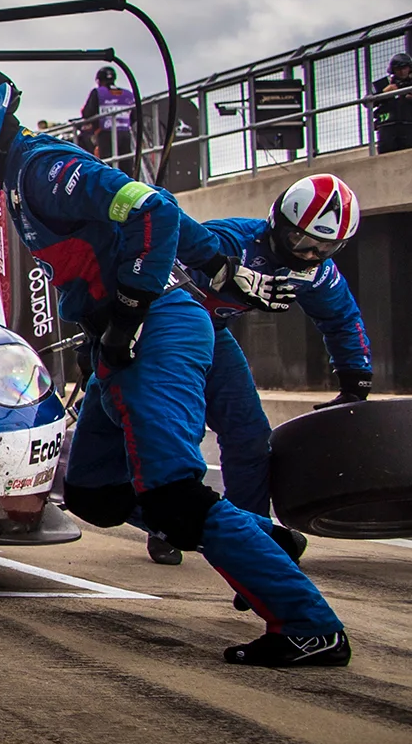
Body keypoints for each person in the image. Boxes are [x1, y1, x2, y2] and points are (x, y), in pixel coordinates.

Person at [0, 66, 348, 668]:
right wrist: (221, 264)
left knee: (172, 495)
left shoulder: (42, 168)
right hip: (125, 336)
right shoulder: (21, 176)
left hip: (154, 329)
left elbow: (152, 209)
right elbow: (161, 215)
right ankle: (262, 541)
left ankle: (310, 626)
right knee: (95, 490)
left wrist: (129, 306)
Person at [150, 174, 371, 569]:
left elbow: (342, 318)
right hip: (166, 332)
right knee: (182, 430)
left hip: (215, 337)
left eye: (325, 247)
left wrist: (355, 381)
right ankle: (166, 522)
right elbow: (159, 276)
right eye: (301, 242)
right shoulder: (228, 240)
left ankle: (251, 533)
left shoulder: (318, 272)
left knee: (251, 437)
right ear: (278, 224)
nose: (309, 254)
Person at [79, 65, 136, 163]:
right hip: (125, 133)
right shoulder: (128, 94)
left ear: (99, 81)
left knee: (108, 163)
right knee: (126, 164)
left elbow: (87, 113)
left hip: (106, 134)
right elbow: (135, 116)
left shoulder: (98, 92)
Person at [370, 53, 412, 155]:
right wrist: (384, 93)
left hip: (409, 126)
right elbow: (367, 102)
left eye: (405, 68)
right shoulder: (383, 83)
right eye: (398, 69)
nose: (402, 72)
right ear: (393, 70)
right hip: (387, 128)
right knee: (386, 155)